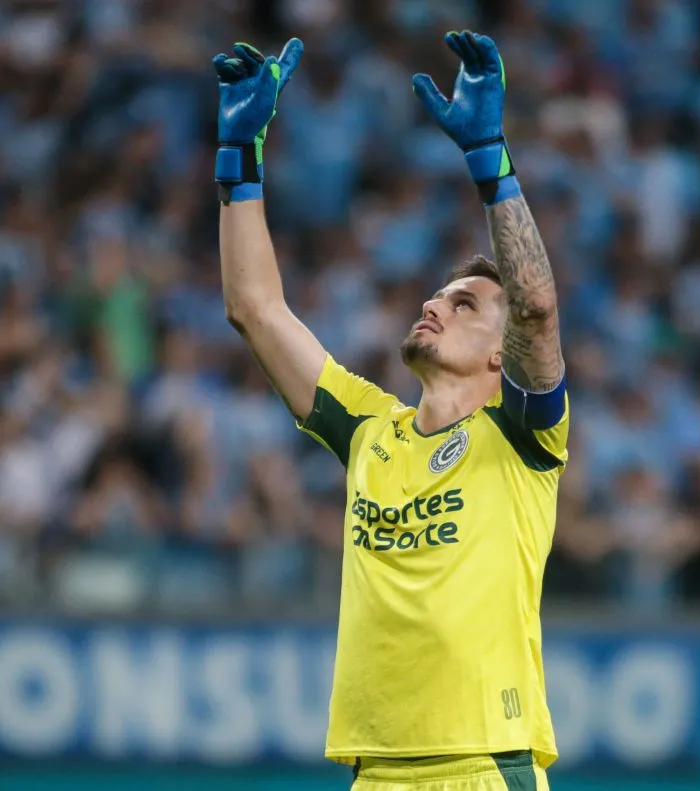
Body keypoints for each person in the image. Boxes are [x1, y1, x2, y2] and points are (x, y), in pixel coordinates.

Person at [213, 30, 567, 791]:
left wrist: (490, 158)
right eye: (436, 294)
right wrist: (239, 161)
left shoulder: (523, 435)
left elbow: (534, 305)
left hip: (483, 766)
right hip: (373, 772)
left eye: (464, 302)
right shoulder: (370, 427)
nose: (434, 304)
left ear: (499, 357)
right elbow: (255, 308)